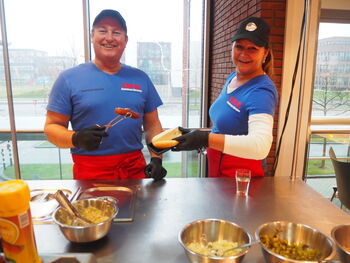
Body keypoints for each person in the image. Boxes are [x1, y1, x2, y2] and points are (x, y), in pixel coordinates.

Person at [44, 9, 166, 181]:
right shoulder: (68, 79)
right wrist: (76, 138)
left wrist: (156, 158)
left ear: (125, 40)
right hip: (89, 174)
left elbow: (153, 125)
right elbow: (51, 128)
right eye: (102, 31)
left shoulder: (141, 78)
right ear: (92, 36)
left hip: (134, 171)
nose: (109, 37)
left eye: (116, 32)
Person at [173, 17, 278, 177]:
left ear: (265, 53)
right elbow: (228, 126)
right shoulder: (232, 78)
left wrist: (205, 138)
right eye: (239, 46)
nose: (244, 54)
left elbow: (260, 146)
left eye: (253, 48)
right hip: (219, 168)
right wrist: (196, 134)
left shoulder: (261, 91)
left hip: (242, 177)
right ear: (232, 47)